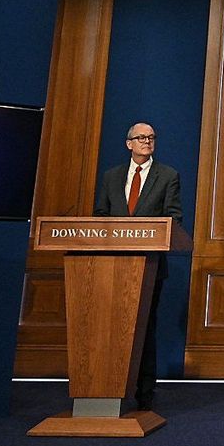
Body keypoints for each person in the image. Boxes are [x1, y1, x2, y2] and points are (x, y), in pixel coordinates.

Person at [93, 121, 183, 411]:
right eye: (141, 137)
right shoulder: (111, 177)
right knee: (108, 327)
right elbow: (101, 216)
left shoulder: (167, 175)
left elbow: (173, 219)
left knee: (144, 328)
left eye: (151, 137)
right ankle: (105, 389)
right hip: (111, 267)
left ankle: (144, 395)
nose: (147, 141)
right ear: (128, 143)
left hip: (149, 266)